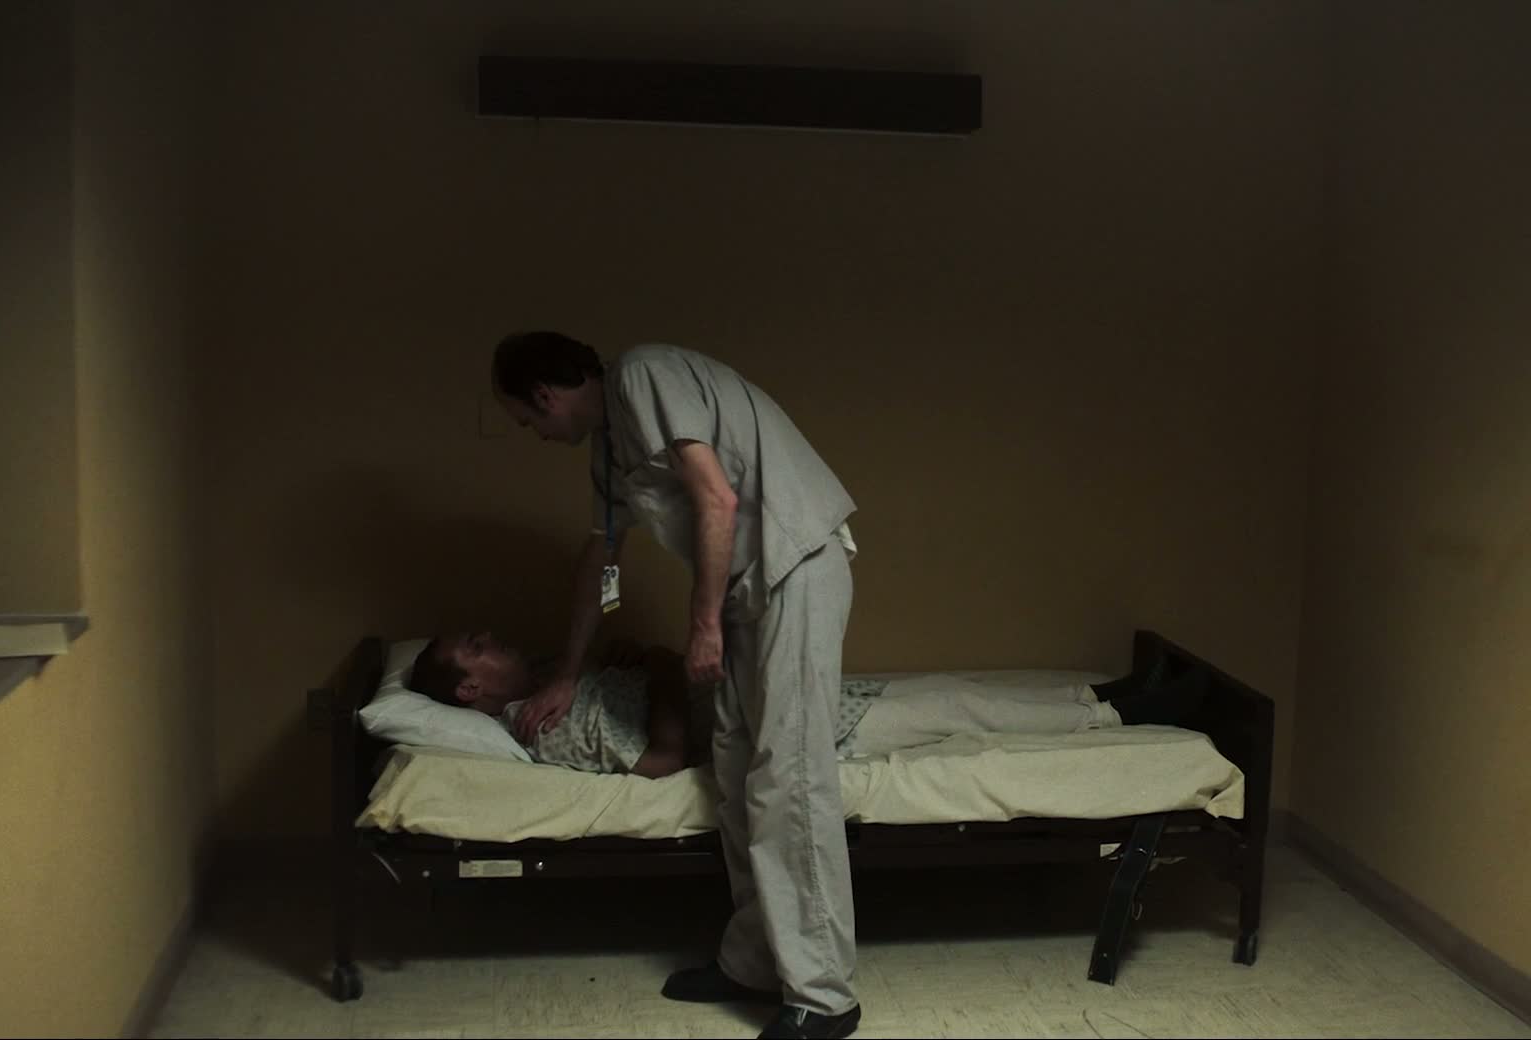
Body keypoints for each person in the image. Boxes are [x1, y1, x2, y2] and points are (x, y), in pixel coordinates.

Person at [486, 331, 865, 1040]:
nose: (534, 434)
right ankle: (755, 961)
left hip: (795, 566)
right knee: (735, 767)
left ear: (544, 395)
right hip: (746, 590)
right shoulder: (608, 452)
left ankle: (825, 996)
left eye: (527, 420)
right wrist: (565, 673)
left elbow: (716, 497)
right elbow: (601, 559)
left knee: (789, 773)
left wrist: (703, 625)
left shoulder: (643, 375)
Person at [408, 630, 1209, 777]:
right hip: (776, 730)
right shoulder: (542, 726)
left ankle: (1104, 692)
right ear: (471, 691)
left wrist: (638, 664)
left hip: (765, 695)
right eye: (478, 645)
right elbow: (661, 760)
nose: (495, 638)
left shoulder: (555, 679)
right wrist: (661, 671)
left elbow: (646, 658)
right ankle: (1127, 717)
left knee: (946, 690)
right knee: (958, 708)